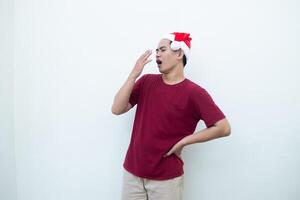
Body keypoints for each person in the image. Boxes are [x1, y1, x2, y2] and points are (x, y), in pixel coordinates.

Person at [111, 32, 231, 200]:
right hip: (133, 173)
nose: (157, 54)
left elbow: (223, 127)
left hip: (166, 180)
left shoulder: (195, 93)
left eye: (162, 49)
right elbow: (117, 109)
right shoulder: (146, 82)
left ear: (179, 53)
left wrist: (184, 141)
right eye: (156, 50)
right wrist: (133, 74)